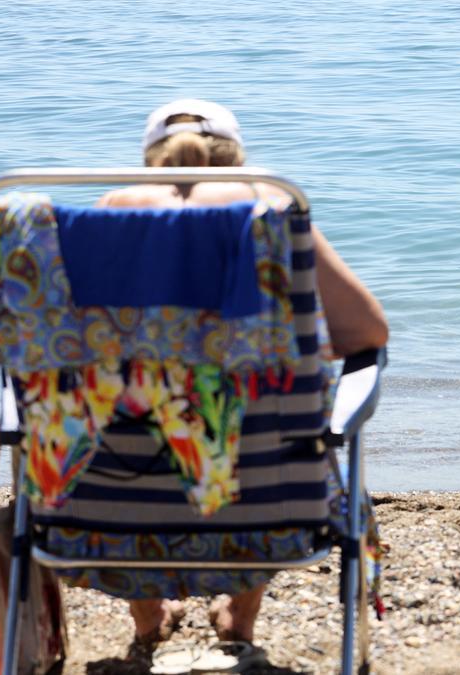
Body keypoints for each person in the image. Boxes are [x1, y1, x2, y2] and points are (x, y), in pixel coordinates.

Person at [96, 99, 388, 648]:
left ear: (151, 157)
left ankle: (147, 619)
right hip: (269, 504)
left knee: (131, 407)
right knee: (265, 405)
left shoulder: (109, 210)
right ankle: (240, 622)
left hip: (109, 503)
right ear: (235, 153)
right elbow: (368, 333)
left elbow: (64, 354)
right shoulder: (271, 205)